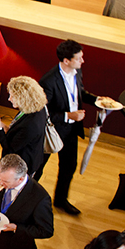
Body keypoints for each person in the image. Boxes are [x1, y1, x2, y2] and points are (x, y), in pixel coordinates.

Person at [38, 39, 97, 216]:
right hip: (52, 130)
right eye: (79, 58)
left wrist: (97, 100)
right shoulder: (48, 81)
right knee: (39, 167)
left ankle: (60, 200)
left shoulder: (77, 72)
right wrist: (68, 116)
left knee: (69, 166)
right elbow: (43, 112)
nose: (83, 61)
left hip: (71, 130)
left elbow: (79, 94)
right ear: (66, 61)